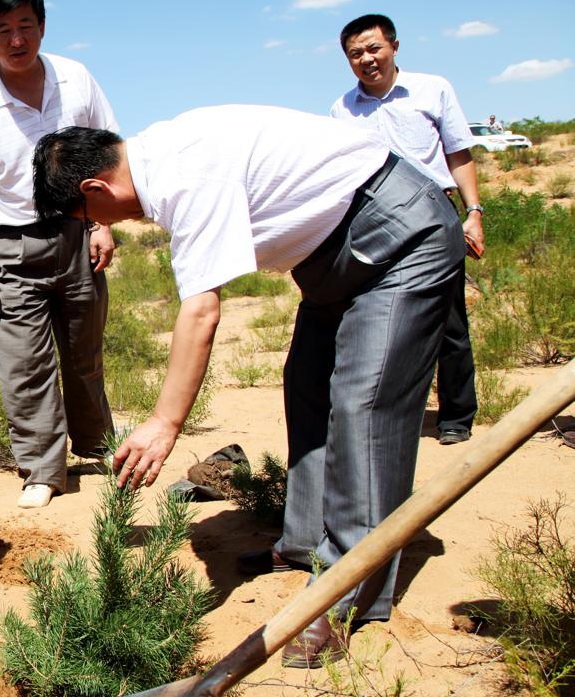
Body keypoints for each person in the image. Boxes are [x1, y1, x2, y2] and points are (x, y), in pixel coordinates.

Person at [31, 107, 464, 667]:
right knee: (307, 383)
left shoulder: (185, 175)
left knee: (365, 405)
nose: (95, 225)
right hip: (336, 258)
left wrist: (164, 423)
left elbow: (202, 312)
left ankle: (346, 593)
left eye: (86, 215)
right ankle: (305, 545)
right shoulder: (158, 156)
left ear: (95, 186)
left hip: (400, 239)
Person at [0, 0, 117, 510]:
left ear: (41, 26)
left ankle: (96, 446)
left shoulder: (77, 78)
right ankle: (42, 469)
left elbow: (109, 152)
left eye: (25, 26)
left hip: (77, 234)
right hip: (12, 248)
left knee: (84, 351)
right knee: (24, 365)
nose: (16, 39)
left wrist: (104, 224)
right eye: (4, 29)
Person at [330, 14, 481, 446]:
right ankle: (398, 413)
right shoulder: (342, 109)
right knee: (383, 321)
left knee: (448, 320)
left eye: (374, 49)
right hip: (373, 223)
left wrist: (474, 212)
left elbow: (459, 153)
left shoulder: (432, 89)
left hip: (436, 216)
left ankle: (456, 416)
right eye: (355, 54)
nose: (366, 60)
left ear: (394, 46)